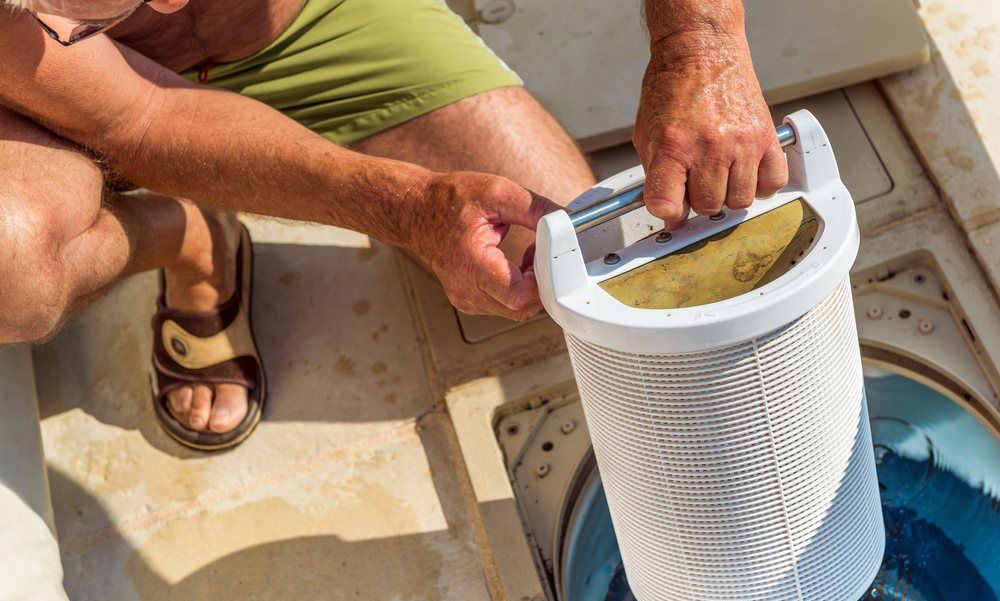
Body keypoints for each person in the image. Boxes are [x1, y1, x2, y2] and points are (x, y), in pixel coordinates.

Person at [0, 0, 787, 449]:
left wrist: (699, 43)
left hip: (311, 15)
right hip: (78, 85)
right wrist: (405, 206)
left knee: (579, 264)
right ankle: (189, 238)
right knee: (12, 263)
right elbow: (143, 114)